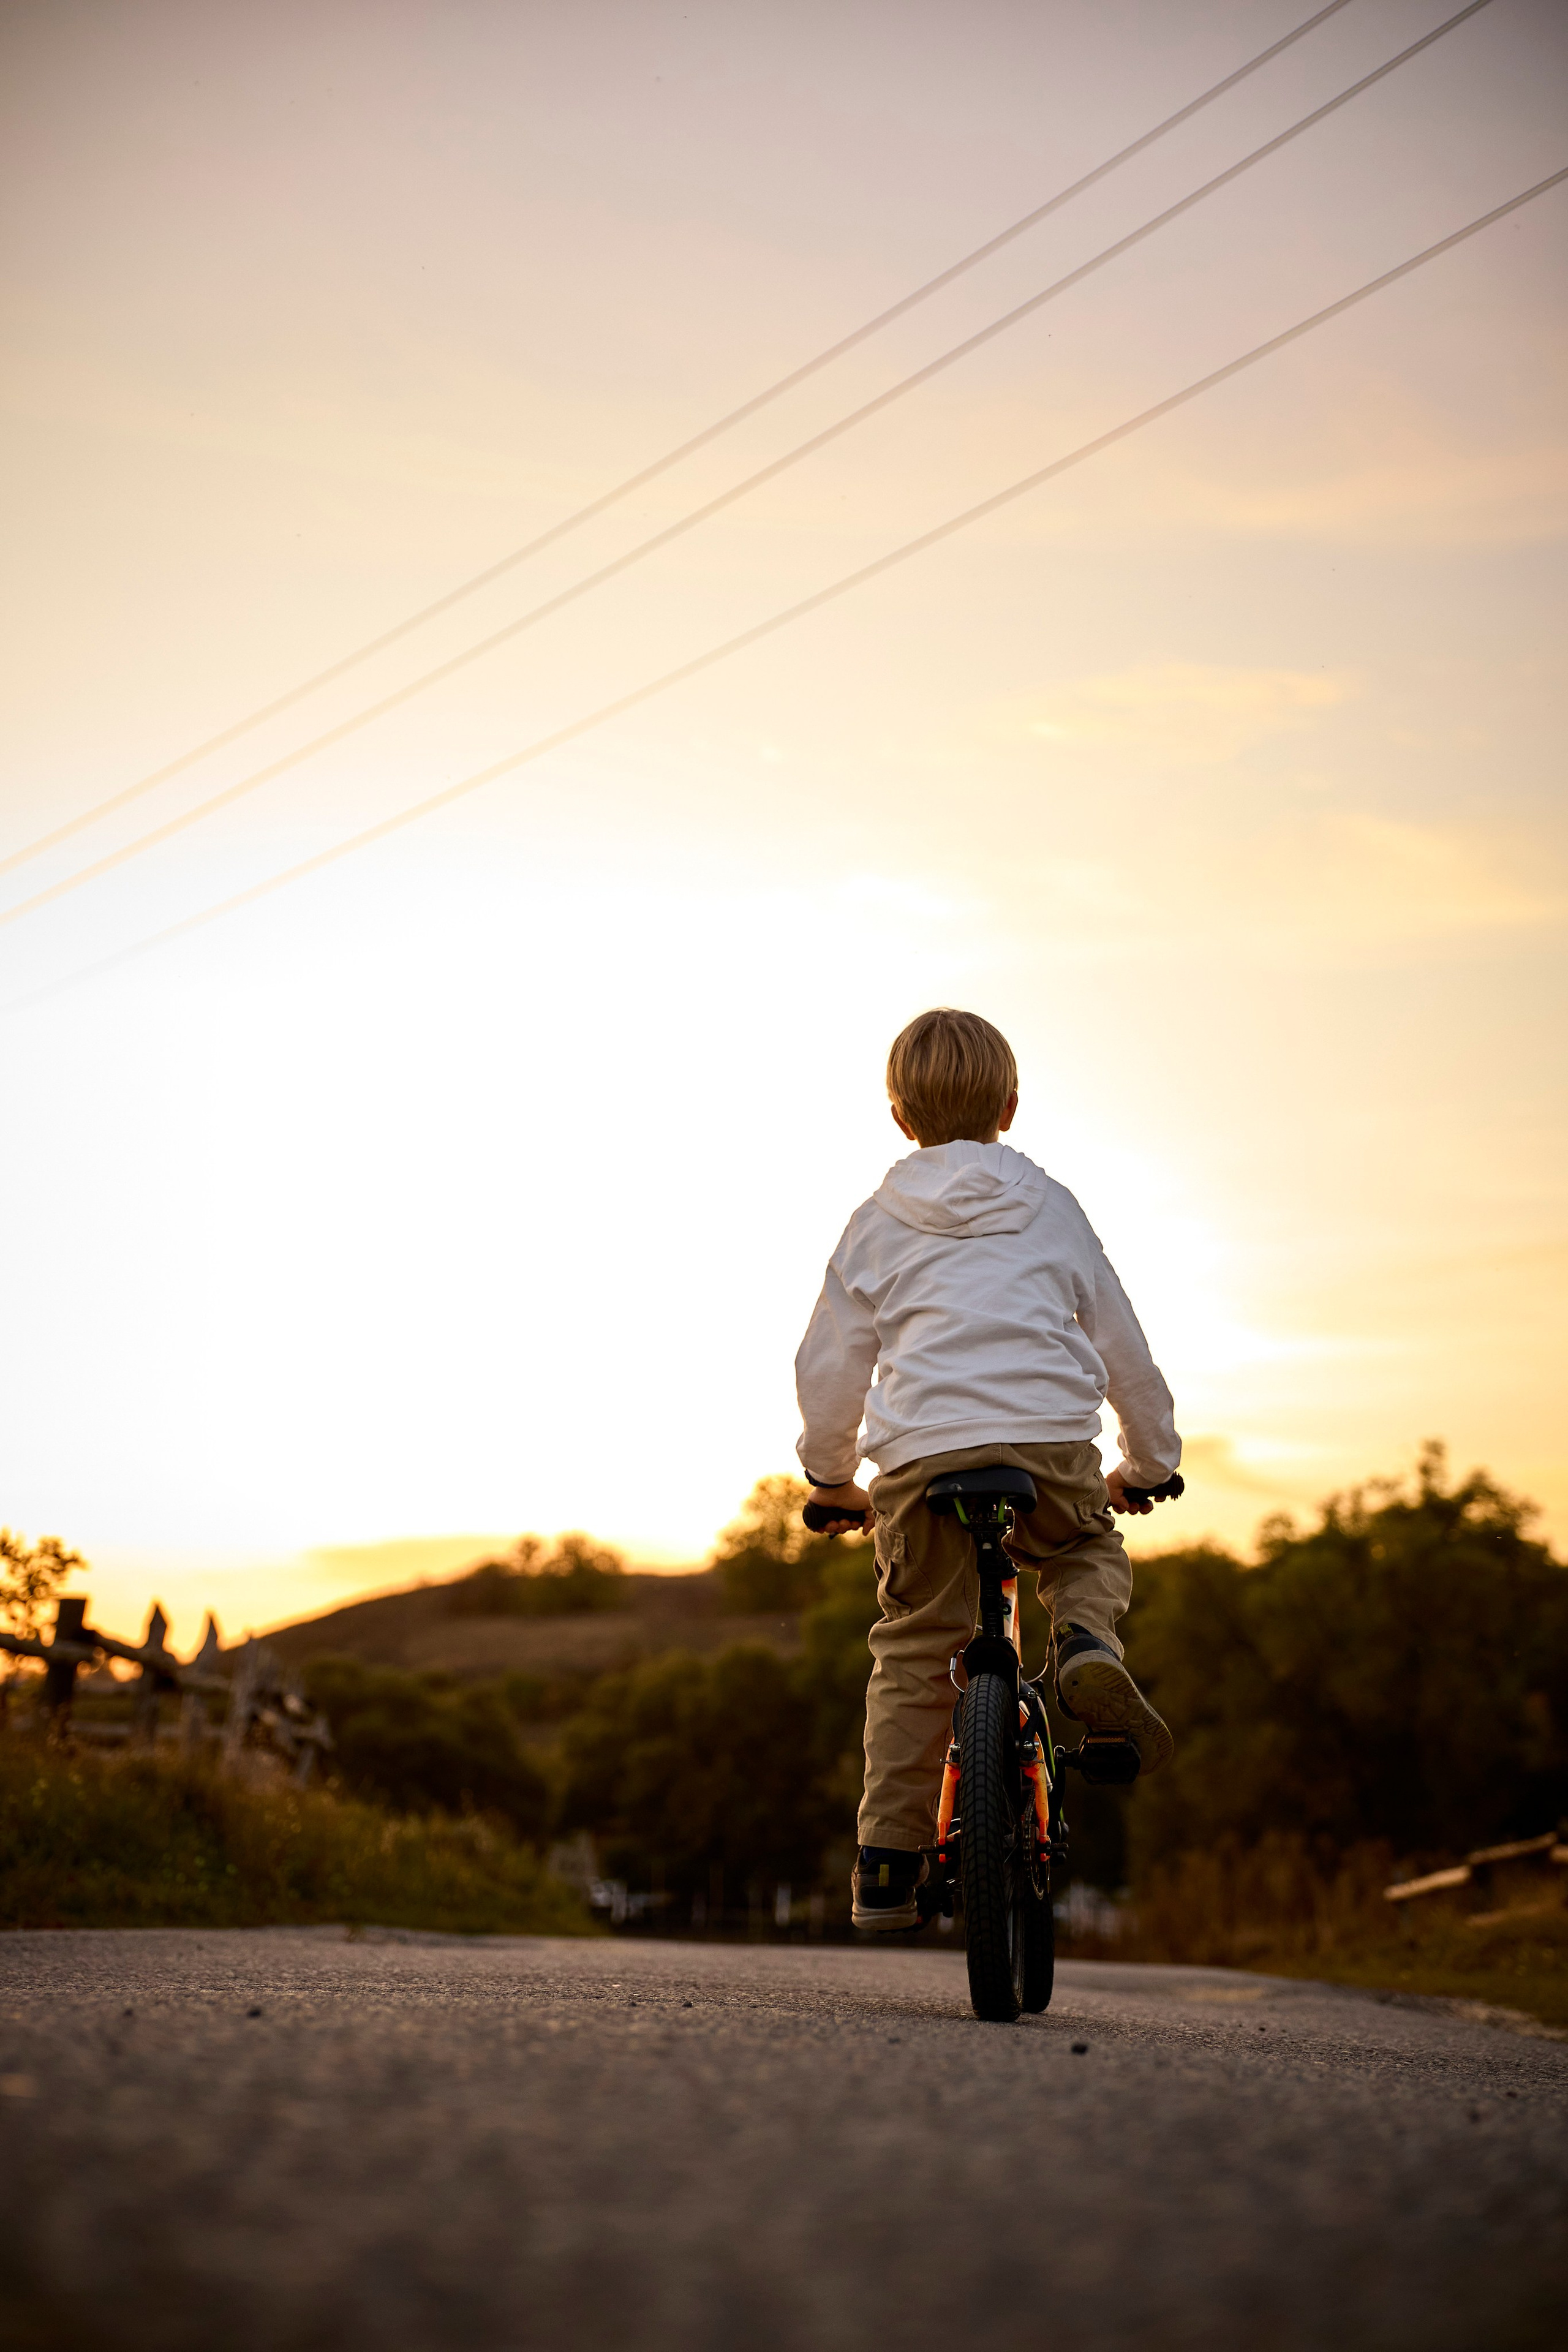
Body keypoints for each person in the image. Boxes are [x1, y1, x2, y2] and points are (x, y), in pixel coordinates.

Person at [794, 1006, 1183, 1931]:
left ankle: (887, 1863)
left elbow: (828, 1364)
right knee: (1086, 1551)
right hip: (1049, 1447)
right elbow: (1122, 1344)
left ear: (899, 1118)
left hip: (921, 1463)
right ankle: (1085, 1641)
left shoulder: (876, 1221)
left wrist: (828, 1476)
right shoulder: (1053, 1205)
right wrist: (1151, 1462)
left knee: (915, 1645)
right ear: (1011, 1107)